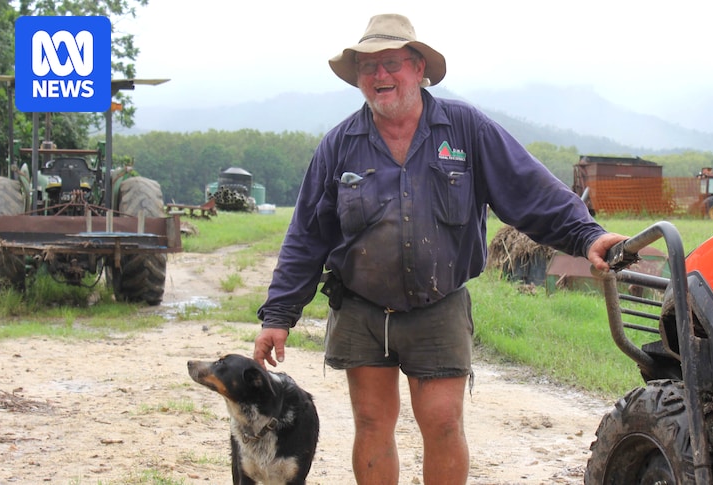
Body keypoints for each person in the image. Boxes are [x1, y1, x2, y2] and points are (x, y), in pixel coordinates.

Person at [253, 13, 627, 485]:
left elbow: (529, 189)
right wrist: (278, 316)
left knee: (444, 423)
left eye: (391, 63)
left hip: (439, 305)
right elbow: (307, 234)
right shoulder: (339, 145)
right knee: (371, 423)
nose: (379, 76)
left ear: (417, 67)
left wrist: (588, 235)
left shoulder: (465, 129)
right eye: (368, 68)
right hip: (361, 308)